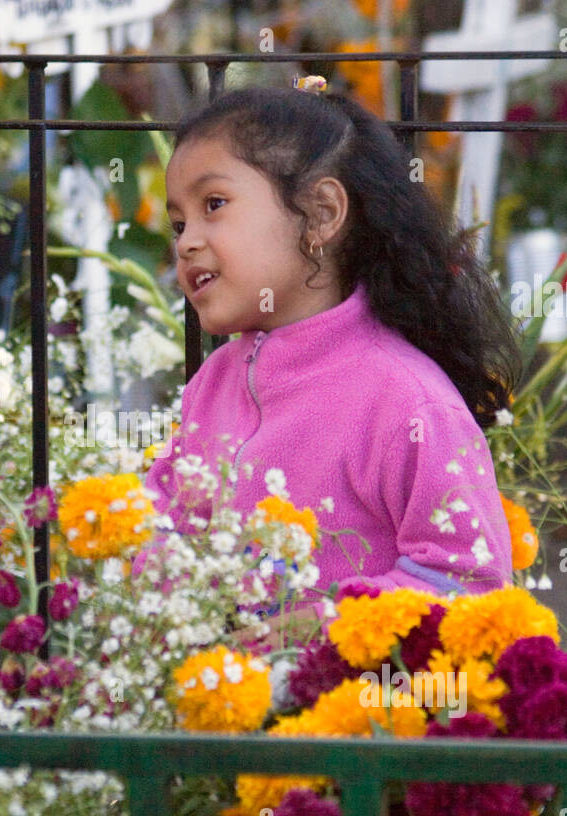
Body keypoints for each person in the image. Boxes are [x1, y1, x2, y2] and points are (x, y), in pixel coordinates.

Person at [146, 82, 523, 640]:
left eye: (214, 206)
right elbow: (163, 530)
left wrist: (319, 627)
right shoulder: (213, 384)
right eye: (179, 224)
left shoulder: (406, 399)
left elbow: (473, 585)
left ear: (322, 214)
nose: (186, 243)